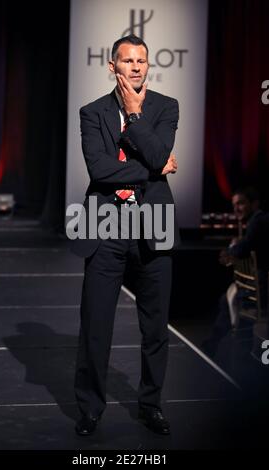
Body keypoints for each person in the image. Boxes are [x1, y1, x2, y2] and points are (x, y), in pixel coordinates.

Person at [69, 34, 179, 436]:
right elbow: (100, 171)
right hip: (106, 228)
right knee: (95, 326)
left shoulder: (166, 108)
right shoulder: (92, 112)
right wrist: (155, 168)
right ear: (112, 66)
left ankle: (151, 405)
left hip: (153, 227)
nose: (136, 67)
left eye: (142, 61)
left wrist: (135, 116)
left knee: (155, 329)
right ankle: (90, 408)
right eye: (127, 61)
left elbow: (156, 149)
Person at [202, 187, 269, 356]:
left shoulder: (258, 220)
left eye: (241, 203)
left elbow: (244, 248)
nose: (236, 208)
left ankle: (225, 346)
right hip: (255, 284)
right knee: (227, 299)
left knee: (231, 300)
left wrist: (231, 250)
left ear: (254, 204)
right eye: (234, 205)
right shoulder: (256, 220)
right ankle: (216, 343)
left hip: (261, 287)